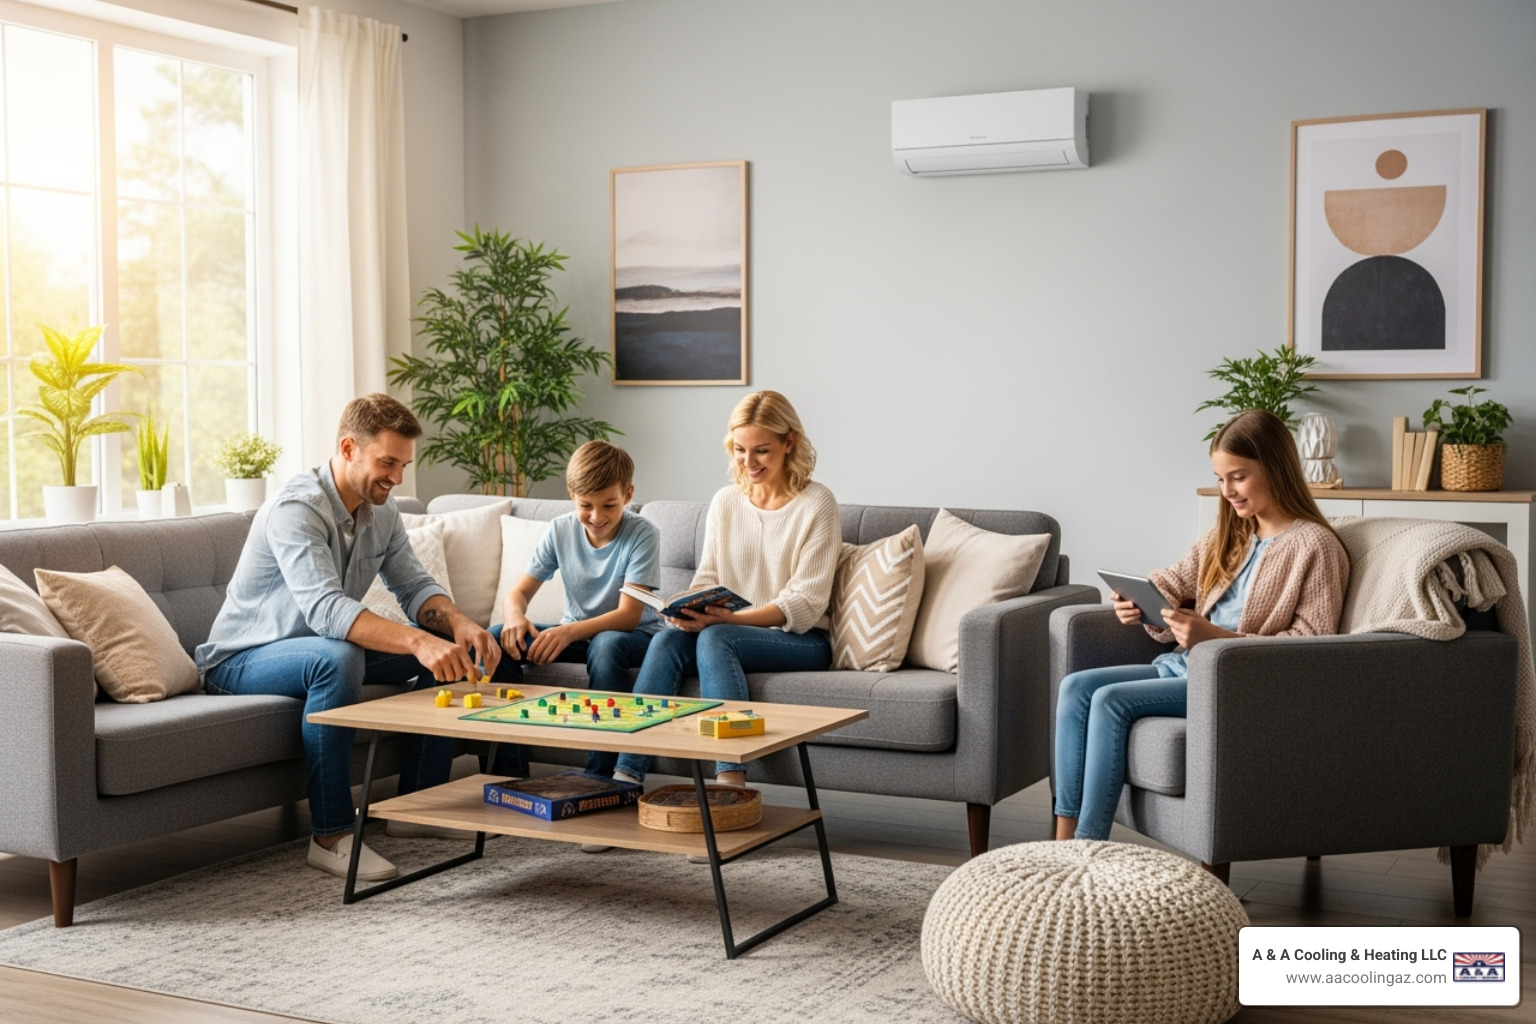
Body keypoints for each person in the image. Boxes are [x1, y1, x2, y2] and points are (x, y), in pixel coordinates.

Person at [197, 394, 521, 883]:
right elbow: (326, 610)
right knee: (340, 657)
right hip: (241, 659)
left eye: (403, 465)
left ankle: (415, 808)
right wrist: (418, 642)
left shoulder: (380, 511)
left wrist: (459, 624)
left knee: (454, 655)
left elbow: (413, 585)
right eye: (387, 462)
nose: (397, 478)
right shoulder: (296, 510)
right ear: (349, 448)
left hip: (322, 647)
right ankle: (330, 835)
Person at [1053, 408, 1350, 843]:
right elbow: (1173, 580)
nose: (1227, 491)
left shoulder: (1316, 546)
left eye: (1238, 477)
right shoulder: (1228, 536)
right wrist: (1140, 600)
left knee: (1111, 701)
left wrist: (1216, 639)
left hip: (1238, 682)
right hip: (1185, 668)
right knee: (1076, 687)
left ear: (1276, 468)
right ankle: (1060, 842)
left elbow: (1311, 646)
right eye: (1220, 478)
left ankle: (1087, 846)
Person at [610, 391, 841, 790]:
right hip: (727, 628)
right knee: (665, 642)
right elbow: (708, 577)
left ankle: (730, 783)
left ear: (789, 443)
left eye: (761, 450)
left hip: (801, 639)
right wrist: (689, 610)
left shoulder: (817, 503)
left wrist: (731, 620)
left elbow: (805, 603)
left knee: (718, 637)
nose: (748, 462)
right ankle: (625, 777)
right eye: (739, 449)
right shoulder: (726, 501)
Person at [493, 440, 662, 776]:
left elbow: (628, 616)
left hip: (634, 637)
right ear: (572, 495)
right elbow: (518, 593)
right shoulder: (560, 529)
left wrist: (567, 632)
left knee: (606, 644)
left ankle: (600, 777)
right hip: (578, 634)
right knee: (499, 637)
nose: (596, 517)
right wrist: (515, 618)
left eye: (609, 505)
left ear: (628, 495)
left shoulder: (643, 534)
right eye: (586, 506)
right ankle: (509, 773)